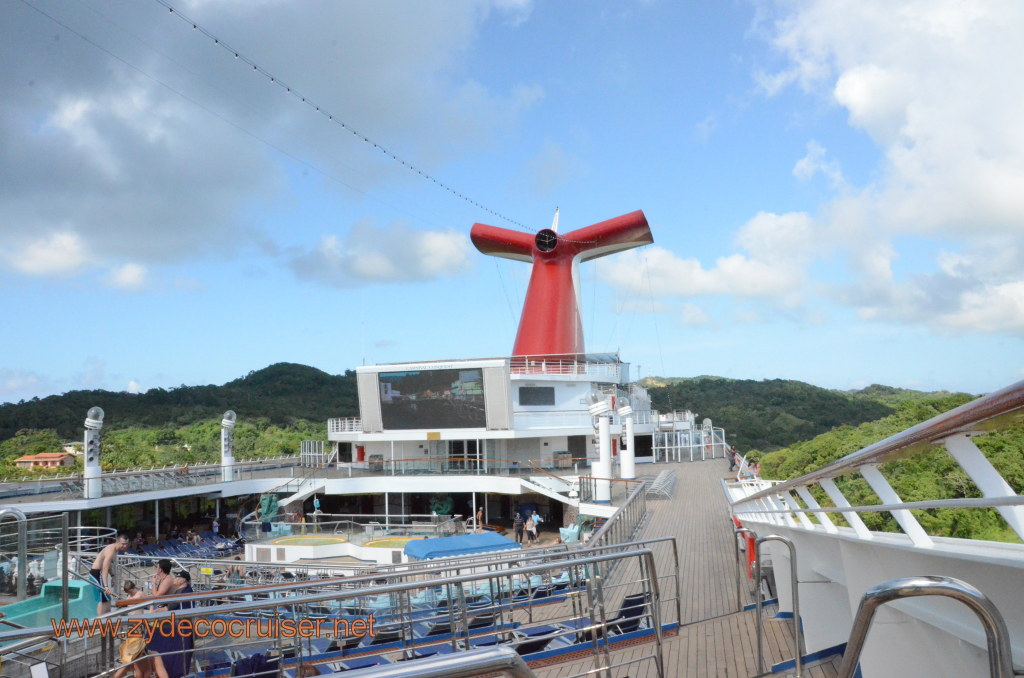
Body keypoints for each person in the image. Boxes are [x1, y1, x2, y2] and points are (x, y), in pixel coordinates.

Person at [90, 533, 130, 615]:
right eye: (123, 544)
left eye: (126, 544)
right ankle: (100, 623)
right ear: (117, 542)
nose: (124, 546)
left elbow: (109, 566)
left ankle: (107, 619)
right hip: (96, 574)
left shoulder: (115, 550)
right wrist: (106, 586)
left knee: (107, 599)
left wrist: (112, 575)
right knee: (102, 600)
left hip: (99, 574)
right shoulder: (111, 549)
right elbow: (105, 567)